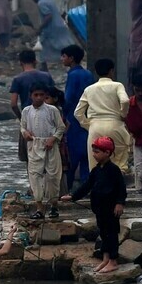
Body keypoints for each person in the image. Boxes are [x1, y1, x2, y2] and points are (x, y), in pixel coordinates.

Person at [61, 137, 127, 274]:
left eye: (97, 152)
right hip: (100, 208)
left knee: (112, 234)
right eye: (94, 152)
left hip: (111, 208)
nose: (94, 155)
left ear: (107, 153)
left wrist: (119, 203)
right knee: (103, 233)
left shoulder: (114, 170)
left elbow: (122, 188)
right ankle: (105, 258)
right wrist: (73, 196)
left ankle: (113, 261)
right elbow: (87, 186)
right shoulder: (96, 170)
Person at [74, 58, 132, 173]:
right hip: (115, 126)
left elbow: (77, 112)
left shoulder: (89, 89)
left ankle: (98, 189)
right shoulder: (117, 85)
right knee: (119, 165)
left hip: (95, 128)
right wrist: (123, 114)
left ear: (96, 72)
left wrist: (88, 125)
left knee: (96, 165)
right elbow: (125, 101)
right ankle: (116, 189)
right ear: (112, 71)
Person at [21, 82, 66, 218]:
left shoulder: (52, 110)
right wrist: (26, 134)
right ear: (31, 96)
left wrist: (53, 138)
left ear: (45, 96)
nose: (39, 98)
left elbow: (61, 127)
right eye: (36, 95)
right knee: (35, 176)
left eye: (41, 95)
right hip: (34, 146)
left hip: (50, 146)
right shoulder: (26, 111)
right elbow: (22, 127)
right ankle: (39, 208)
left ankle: (53, 206)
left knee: (52, 176)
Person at [10, 50, 55, 163]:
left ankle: (33, 180)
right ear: (35, 61)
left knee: (30, 158)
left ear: (20, 63)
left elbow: (13, 104)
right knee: (49, 156)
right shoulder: (46, 76)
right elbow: (55, 97)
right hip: (47, 118)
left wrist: (21, 119)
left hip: (28, 120)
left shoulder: (18, 79)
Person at [61, 45, 95, 189]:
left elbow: (68, 99)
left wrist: (63, 115)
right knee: (87, 154)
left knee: (71, 156)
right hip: (88, 117)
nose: (62, 59)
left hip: (73, 118)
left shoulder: (72, 75)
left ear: (71, 58)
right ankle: (85, 186)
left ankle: (69, 189)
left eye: (64, 56)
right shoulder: (88, 74)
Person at [31, 0, 73, 71]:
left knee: (42, 47)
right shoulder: (49, 0)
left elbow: (48, 16)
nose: (32, 0)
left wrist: (40, 28)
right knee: (63, 44)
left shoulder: (41, 3)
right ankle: (71, 61)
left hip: (51, 28)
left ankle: (43, 67)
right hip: (60, 25)